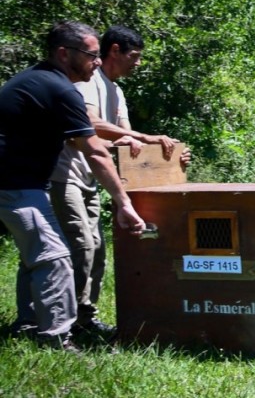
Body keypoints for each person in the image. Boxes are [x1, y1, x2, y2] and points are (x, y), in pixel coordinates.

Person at [0, 21, 146, 352]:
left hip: (20, 183)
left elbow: (87, 145)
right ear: (64, 54)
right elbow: (94, 150)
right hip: (14, 184)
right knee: (55, 258)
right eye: (91, 55)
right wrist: (123, 203)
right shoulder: (60, 88)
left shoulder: (39, 80)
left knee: (38, 254)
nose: (97, 63)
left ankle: (29, 323)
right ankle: (56, 339)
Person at [48, 25, 190, 337]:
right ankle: (60, 324)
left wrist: (172, 156)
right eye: (135, 56)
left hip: (91, 178)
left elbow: (128, 144)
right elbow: (89, 124)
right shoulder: (88, 81)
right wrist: (138, 136)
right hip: (64, 173)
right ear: (115, 51)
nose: (138, 63)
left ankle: (85, 318)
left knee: (97, 248)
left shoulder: (118, 92)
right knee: (80, 246)